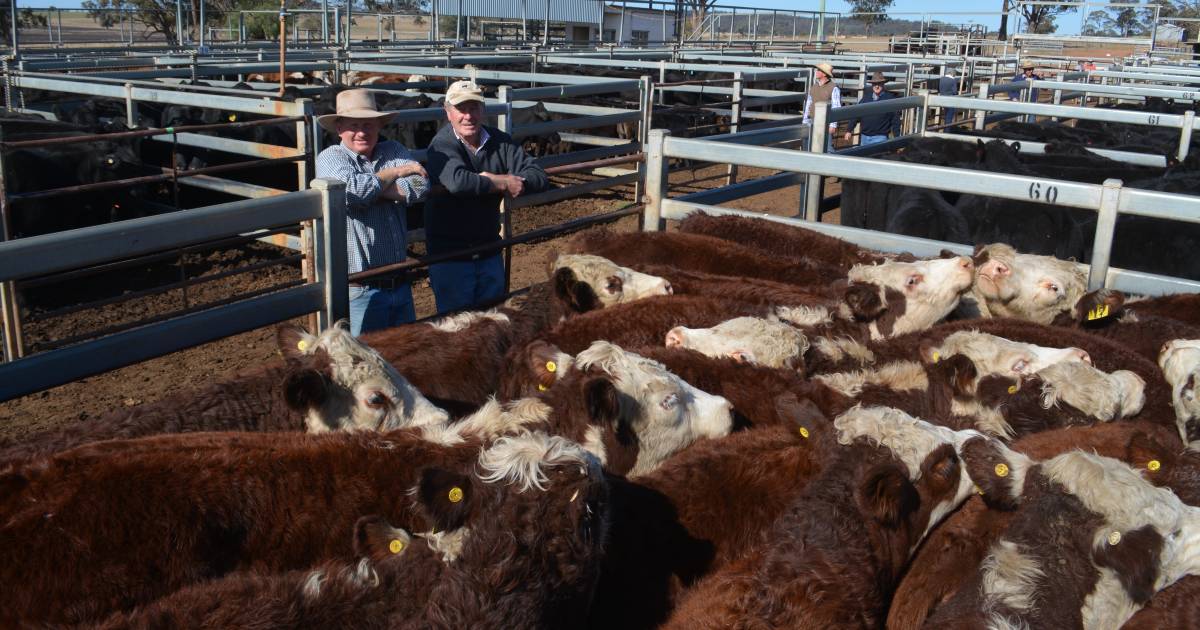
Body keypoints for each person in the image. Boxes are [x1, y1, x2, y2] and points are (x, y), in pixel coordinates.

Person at [424, 80, 549, 314]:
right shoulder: (442, 145)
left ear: (482, 110)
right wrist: (502, 182)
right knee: (457, 327)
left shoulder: (499, 141)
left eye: (474, 108)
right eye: (461, 109)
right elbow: (458, 182)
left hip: (489, 251)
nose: (468, 116)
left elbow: (538, 176)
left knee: (493, 321)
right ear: (448, 113)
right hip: (452, 256)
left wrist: (518, 182)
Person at [314, 88, 429, 337]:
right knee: (362, 364)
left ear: (379, 125)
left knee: (406, 359)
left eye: (368, 124)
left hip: (400, 283)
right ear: (339, 128)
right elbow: (352, 193)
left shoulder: (394, 149)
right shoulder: (330, 158)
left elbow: (420, 187)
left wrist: (372, 190)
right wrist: (395, 174)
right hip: (359, 289)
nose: (362, 132)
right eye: (354, 125)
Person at [801, 62, 850, 151]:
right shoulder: (814, 87)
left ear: (824, 74)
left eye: (819, 70)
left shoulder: (833, 88)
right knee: (809, 146)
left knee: (827, 149)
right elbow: (809, 104)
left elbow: (836, 107)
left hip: (825, 122)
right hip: (812, 120)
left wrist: (833, 124)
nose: (816, 71)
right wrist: (805, 120)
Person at [852, 71, 901, 146]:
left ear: (883, 84)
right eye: (874, 84)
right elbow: (856, 113)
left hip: (880, 137)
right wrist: (849, 129)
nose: (876, 86)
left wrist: (897, 137)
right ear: (872, 85)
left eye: (879, 84)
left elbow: (895, 120)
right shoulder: (866, 98)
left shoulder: (890, 100)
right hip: (865, 136)